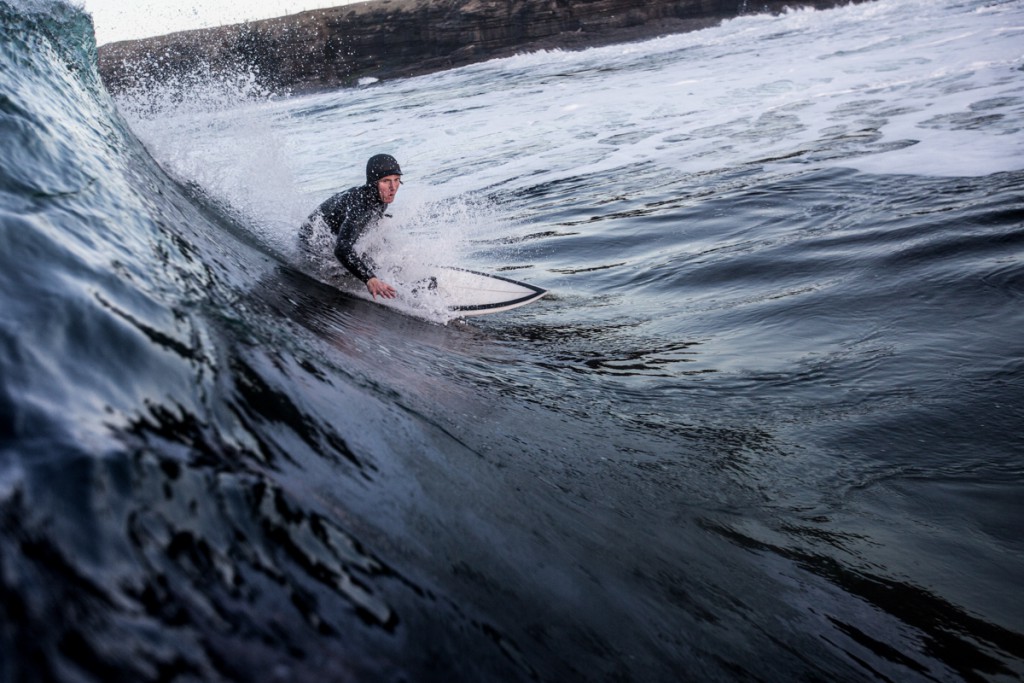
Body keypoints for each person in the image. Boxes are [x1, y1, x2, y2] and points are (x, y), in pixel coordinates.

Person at [301, 153, 403, 300]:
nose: (393, 187)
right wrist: (369, 278)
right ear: (373, 183)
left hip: (331, 234)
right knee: (367, 270)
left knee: (378, 259)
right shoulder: (362, 208)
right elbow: (342, 249)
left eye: (397, 180)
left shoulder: (379, 196)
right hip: (311, 245)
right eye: (386, 181)